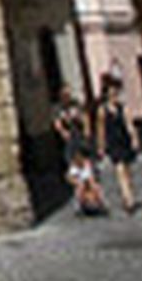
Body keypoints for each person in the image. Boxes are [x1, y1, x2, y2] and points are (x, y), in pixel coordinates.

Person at [53, 87, 105, 215]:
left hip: (80, 140)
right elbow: (57, 123)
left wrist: (86, 130)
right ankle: (81, 202)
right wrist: (63, 132)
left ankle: (98, 200)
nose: (67, 96)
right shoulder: (58, 109)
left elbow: (84, 117)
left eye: (68, 93)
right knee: (76, 174)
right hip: (71, 143)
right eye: (64, 94)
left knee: (90, 172)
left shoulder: (76, 105)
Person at [97, 76, 139, 213]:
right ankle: (129, 199)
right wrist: (101, 146)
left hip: (124, 141)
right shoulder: (102, 110)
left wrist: (134, 138)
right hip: (113, 143)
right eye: (112, 93)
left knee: (127, 171)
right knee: (120, 170)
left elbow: (129, 124)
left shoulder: (123, 108)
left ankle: (129, 194)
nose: (114, 95)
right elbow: (101, 130)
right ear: (107, 94)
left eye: (116, 93)